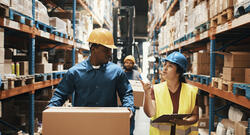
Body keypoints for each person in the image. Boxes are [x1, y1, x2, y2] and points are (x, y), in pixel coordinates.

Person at [48, 28, 135, 134]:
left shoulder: (116, 72)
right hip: (82, 125)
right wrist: (51, 108)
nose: (110, 53)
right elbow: (60, 94)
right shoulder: (75, 72)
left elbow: (126, 93)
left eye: (110, 50)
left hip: (108, 125)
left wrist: (129, 107)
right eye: (106, 50)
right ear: (94, 49)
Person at [140, 51, 199, 135]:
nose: (164, 69)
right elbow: (150, 113)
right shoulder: (156, 89)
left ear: (178, 72)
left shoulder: (192, 91)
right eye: (165, 65)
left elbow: (195, 115)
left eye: (170, 66)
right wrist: (146, 94)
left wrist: (184, 122)